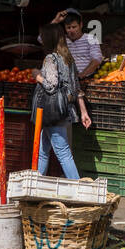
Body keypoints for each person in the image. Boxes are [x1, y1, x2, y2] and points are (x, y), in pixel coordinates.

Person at [35, 22, 92, 179]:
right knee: (43, 151)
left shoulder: (50, 58)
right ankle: (36, 184)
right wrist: (83, 112)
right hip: (64, 110)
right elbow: (76, 87)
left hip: (52, 112)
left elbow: (51, 86)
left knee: (63, 152)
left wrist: (38, 76)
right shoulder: (68, 58)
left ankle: (77, 188)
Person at [50, 7, 104, 79]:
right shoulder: (62, 40)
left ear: (81, 25)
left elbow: (97, 60)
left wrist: (81, 75)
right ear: (65, 28)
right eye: (68, 28)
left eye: (74, 27)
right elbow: (41, 39)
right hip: (66, 80)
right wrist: (56, 21)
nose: (71, 30)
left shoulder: (91, 38)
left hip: (85, 79)